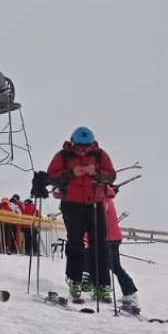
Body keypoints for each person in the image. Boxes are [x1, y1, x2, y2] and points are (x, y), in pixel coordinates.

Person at [46, 126, 116, 302]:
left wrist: (97, 174)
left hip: (95, 203)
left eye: (87, 146)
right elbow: (51, 178)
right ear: (73, 143)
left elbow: (111, 176)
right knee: (75, 242)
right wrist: (71, 173)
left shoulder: (100, 155)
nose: (83, 150)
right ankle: (75, 280)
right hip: (72, 204)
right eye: (80, 146)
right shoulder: (63, 156)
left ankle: (101, 284)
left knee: (99, 244)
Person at [104, 186, 139, 312]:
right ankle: (128, 293)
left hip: (109, 238)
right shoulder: (108, 199)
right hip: (113, 237)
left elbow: (99, 222)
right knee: (111, 266)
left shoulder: (102, 201)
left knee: (114, 267)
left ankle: (130, 293)